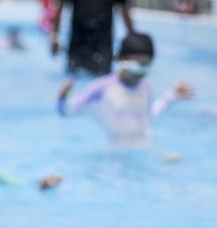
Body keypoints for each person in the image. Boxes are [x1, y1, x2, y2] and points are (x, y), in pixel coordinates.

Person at [57, 32, 194, 148]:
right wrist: (62, 98)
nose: (141, 72)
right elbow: (68, 112)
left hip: (143, 151)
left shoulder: (145, 87)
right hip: (115, 159)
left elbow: (146, 117)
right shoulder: (100, 89)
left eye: (146, 66)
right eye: (138, 65)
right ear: (121, 59)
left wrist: (171, 96)